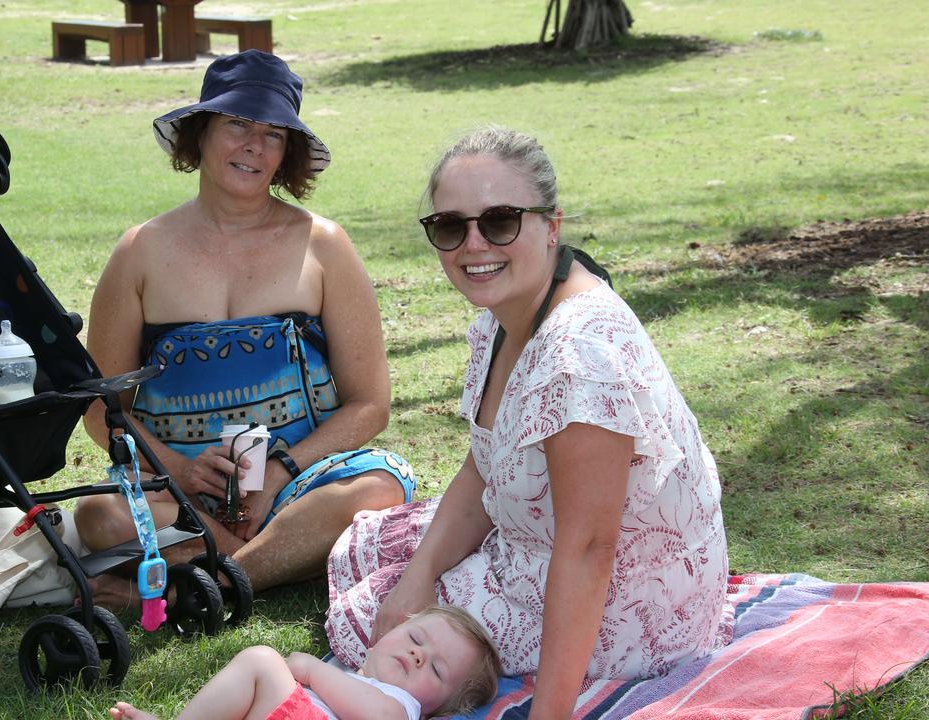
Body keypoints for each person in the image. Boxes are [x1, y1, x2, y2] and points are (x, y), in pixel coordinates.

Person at [325, 126, 730, 720]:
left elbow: (591, 545)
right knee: (371, 553)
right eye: (449, 226)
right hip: (541, 543)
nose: (474, 244)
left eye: (500, 220)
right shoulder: (506, 314)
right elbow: (484, 462)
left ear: (552, 226)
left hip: (626, 602)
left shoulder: (580, 356)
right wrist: (421, 576)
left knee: (364, 621)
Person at [76, 50, 415, 605]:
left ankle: (205, 583)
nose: (254, 146)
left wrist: (281, 470)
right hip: (184, 493)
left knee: (377, 489)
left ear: (288, 153)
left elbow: (369, 405)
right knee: (99, 516)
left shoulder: (324, 245)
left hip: (302, 484)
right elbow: (102, 412)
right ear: (202, 133)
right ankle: (270, 561)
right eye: (237, 125)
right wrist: (183, 473)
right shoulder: (140, 252)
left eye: (274, 134)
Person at [108, 606, 502, 720]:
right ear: (388, 632)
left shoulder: (402, 707)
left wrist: (314, 670)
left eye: (436, 669)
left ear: (445, 707)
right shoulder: (350, 679)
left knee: (263, 662)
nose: (419, 655)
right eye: (417, 639)